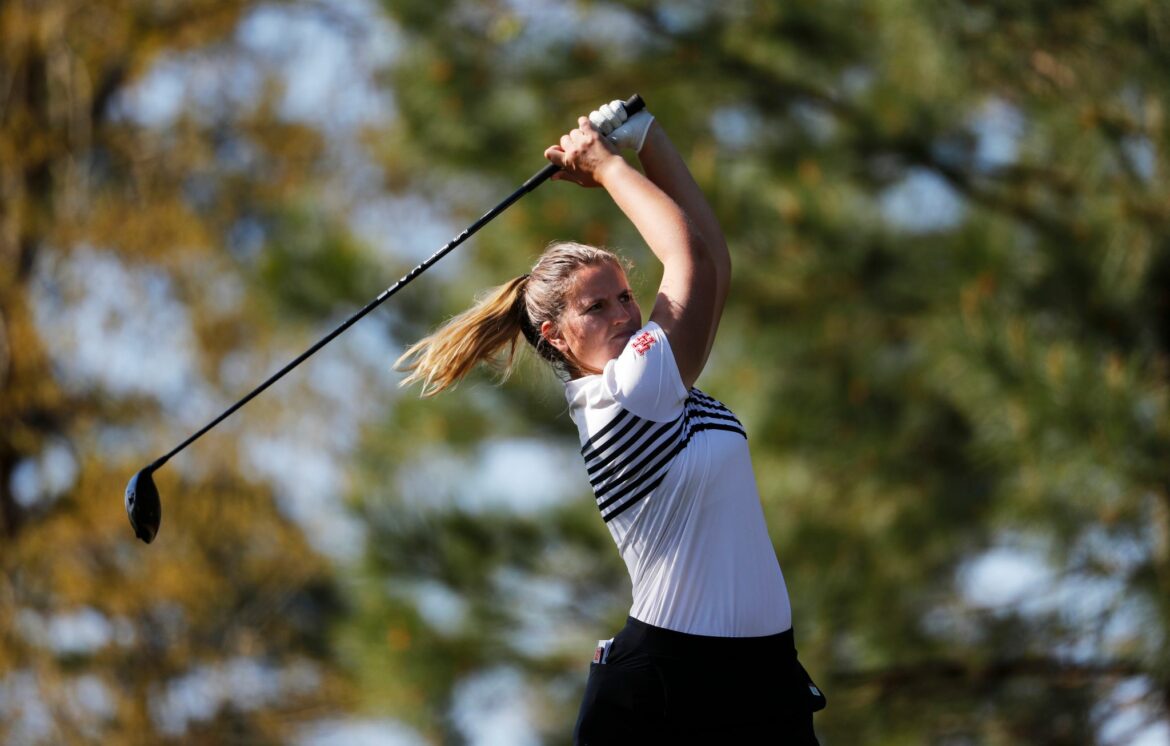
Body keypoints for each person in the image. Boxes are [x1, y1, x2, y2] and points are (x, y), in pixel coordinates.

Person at [397, 101, 824, 743]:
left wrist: (649, 138)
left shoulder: (659, 382)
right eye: (597, 307)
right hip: (669, 685)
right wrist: (605, 165)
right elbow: (693, 264)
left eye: (626, 295)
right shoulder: (626, 394)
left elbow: (713, 263)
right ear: (556, 336)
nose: (625, 314)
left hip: (762, 677)